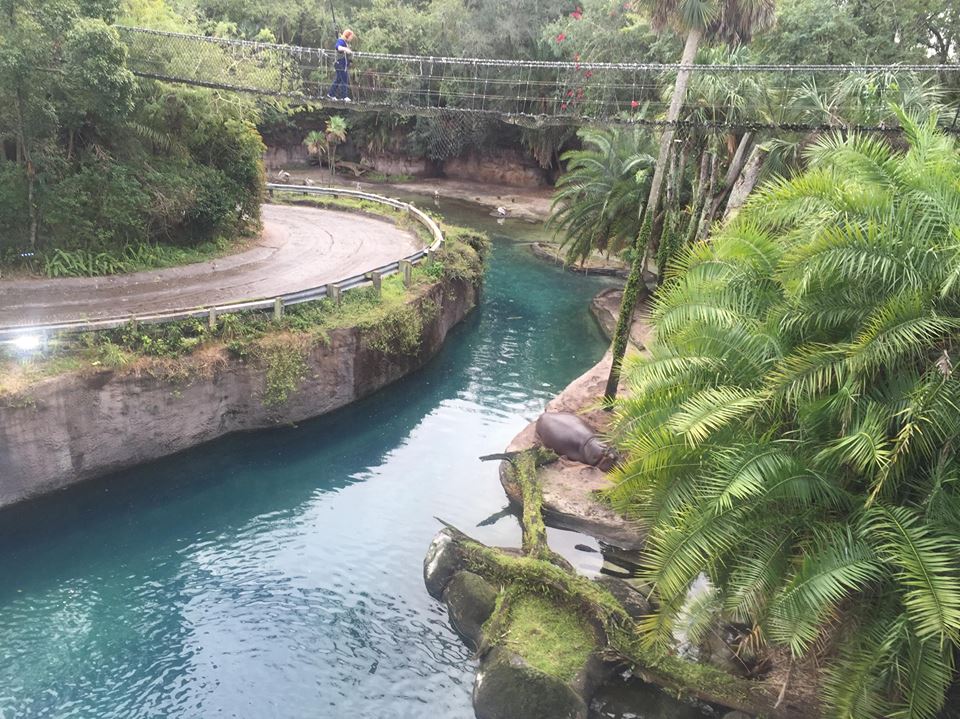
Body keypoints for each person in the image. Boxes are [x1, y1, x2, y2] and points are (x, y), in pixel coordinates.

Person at [327, 29, 355, 102]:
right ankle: (344, 96)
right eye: (351, 37)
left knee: (338, 79)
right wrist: (345, 49)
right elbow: (338, 47)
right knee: (344, 79)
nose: (351, 39)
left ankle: (331, 94)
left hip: (342, 64)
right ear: (347, 36)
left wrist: (350, 61)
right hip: (340, 64)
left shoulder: (345, 42)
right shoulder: (341, 41)